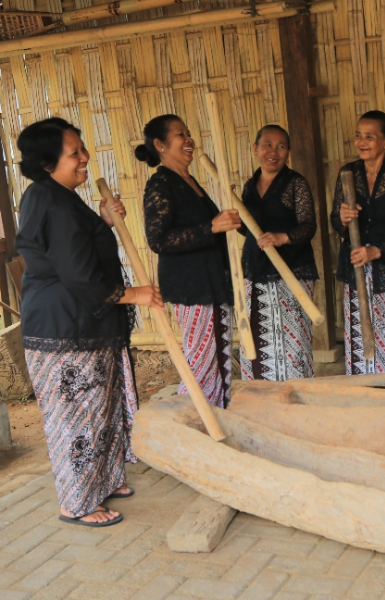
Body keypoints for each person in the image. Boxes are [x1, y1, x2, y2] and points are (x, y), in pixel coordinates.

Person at [16, 118, 163, 527]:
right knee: (76, 416)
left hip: (83, 326)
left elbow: (80, 246)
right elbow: (78, 273)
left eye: (82, 149)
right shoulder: (52, 201)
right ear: (48, 162)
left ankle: (105, 479)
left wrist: (104, 219)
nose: (85, 158)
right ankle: (77, 502)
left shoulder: (58, 196)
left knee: (101, 408)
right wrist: (134, 294)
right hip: (66, 329)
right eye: (74, 153)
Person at [139, 115, 241, 408]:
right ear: (160, 145)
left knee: (218, 358)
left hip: (211, 283)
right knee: (201, 362)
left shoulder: (188, 181)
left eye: (188, 132)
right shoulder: (160, 183)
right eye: (180, 134)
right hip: (192, 287)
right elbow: (159, 240)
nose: (189, 140)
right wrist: (211, 227)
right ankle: (194, 422)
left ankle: (215, 417)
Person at [330, 110, 385, 375]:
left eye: (370, 136)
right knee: (358, 336)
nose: (362, 142)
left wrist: (376, 251)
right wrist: (344, 219)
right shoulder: (348, 173)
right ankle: (363, 396)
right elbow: (336, 222)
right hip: (356, 266)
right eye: (358, 135)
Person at [238, 125, 318, 381]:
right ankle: (261, 399)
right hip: (255, 272)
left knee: (292, 343)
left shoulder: (296, 183)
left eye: (281, 146)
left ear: (288, 152)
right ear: (255, 149)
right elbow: (249, 231)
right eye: (267, 145)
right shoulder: (250, 186)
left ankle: (296, 398)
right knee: (258, 339)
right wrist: (230, 208)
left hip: (291, 273)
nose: (274, 151)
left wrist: (283, 237)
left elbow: (308, 226)